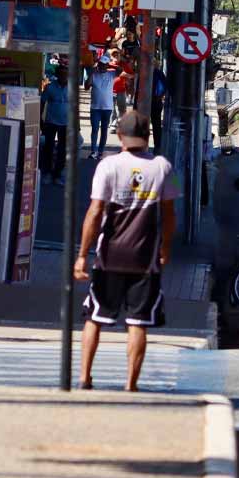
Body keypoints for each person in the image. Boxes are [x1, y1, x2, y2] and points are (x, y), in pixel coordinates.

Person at [74, 110, 180, 391]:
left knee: (94, 317)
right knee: (138, 323)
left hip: (109, 257)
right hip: (145, 259)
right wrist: (165, 248)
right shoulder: (164, 167)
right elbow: (170, 215)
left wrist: (82, 255)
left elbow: (95, 212)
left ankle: (85, 378)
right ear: (148, 136)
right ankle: (131, 385)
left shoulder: (107, 166)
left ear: (120, 135)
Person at [40, 65, 69, 185]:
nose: (63, 76)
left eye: (65, 74)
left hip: (66, 123)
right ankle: (46, 173)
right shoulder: (50, 87)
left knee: (62, 149)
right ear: (57, 75)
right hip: (50, 122)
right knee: (48, 147)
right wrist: (40, 119)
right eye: (61, 74)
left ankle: (58, 174)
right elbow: (42, 102)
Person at [88, 54, 117, 159]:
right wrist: (91, 73)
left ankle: (100, 151)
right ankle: (93, 151)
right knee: (95, 129)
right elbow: (86, 86)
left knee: (104, 131)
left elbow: (121, 69)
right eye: (100, 64)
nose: (102, 66)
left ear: (107, 65)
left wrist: (110, 65)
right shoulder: (94, 75)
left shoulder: (111, 74)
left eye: (104, 65)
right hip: (95, 108)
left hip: (107, 108)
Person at [151, 66, 167, 153]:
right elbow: (165, 87)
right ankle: (157, 147)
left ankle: (140, 146)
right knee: (156, 125)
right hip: (156, 102)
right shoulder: (159, 73)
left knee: (142, 125)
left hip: (147, 102)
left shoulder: (144, 71)